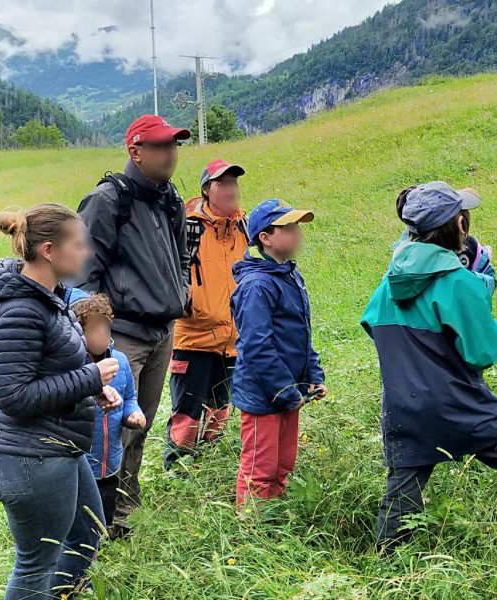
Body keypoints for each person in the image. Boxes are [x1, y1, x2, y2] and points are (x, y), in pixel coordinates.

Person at [361, 182, 497, 561]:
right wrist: (481, 288)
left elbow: (371, 324)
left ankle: (385, 567)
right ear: (459, 227)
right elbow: (483, 352)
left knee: (402, 492)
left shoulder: (389, 280)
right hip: (460, 404)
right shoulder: (458, 281)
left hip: (403, 405)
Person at [0, 204, 123, 600]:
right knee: (37, 562)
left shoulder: (51, 299)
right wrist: (91, 376)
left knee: (87, 536)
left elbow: (50, 370)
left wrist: (91, 389)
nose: (86, 253)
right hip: (28, 458)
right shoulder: (19, 312)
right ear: (47, 250)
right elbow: (14, 396)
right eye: (78, 245)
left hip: (59, 447)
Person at [75, 114, 191, 536]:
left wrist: (181, 291)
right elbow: (81, 273)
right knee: (111, 428)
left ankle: (125, 505)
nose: (170, 153)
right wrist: (95, 337)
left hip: (162, 331)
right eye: (160, 146)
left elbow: (182, 255)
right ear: (135, 152)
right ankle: (98, 516)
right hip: (122, 333)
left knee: (140, 422)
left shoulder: (169, 197)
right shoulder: (109, 200)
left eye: (174, 145)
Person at [230, 199, 326, 505]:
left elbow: (302, 333)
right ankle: (251, 535)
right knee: (260, 470)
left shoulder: (289, 275)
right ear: (265, 238)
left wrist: (312, 374)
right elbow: (256, 346)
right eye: (288, 227)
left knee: (282, 464)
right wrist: (285, 390)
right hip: (264, 396)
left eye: (297, 226)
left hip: (289, 391)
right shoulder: (258, 285)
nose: (297, 233)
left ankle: (272, 519)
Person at [165, 159, 249, 470]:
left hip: (232, 338)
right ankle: (178, 475)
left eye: (233, 183)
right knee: (186, 414)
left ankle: (211, 471)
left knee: (220, 410)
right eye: (221, 183)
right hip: (192, 338)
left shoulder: (245, 227)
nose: (230, 189)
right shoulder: (187, 226)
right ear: (206, 189)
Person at [68, 289, 147, 531]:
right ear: (78, 334)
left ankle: (108, 532)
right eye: (94, 329)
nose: (103, 333)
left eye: (106, 326)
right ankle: (87, 542)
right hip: (84, 462)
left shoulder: (120, 362)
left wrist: (133, 414)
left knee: (109, 502)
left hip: (111, 459)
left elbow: (129, 397)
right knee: (84, 511)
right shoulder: (75, 367)